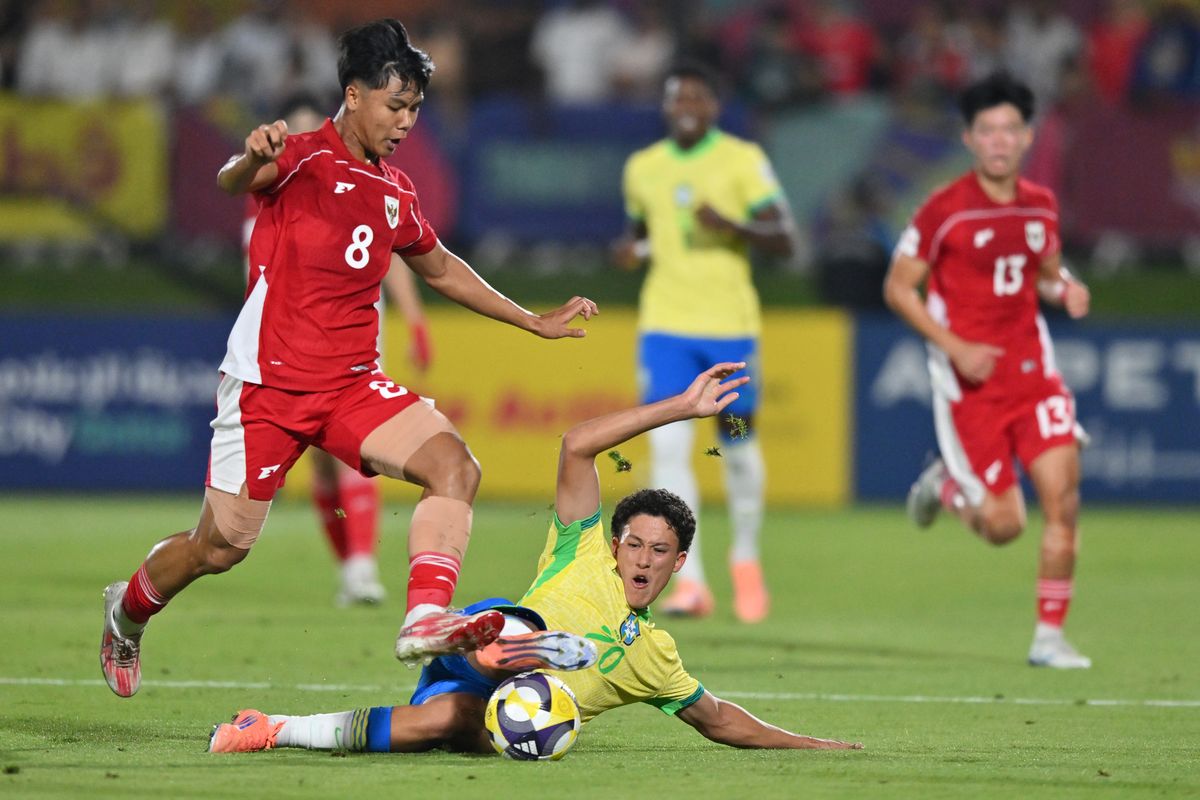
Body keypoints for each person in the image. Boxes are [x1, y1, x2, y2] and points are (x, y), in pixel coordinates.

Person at [99, 18, 598, 698]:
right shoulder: (299, 155)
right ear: (354, 94)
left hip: (350, 387)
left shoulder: (396, 190)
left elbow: (442, 268)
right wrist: (250, 155)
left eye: (416, 110)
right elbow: (231, 180)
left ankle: (424, 616)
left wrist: (531, 322)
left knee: (455, 467)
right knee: (218, 548)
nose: (406, 122)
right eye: (396, 106)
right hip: (266, 389)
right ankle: (127, 612)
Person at [207, 363, 862, 754]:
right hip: (479, 639)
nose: (640, 558)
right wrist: (681, 409)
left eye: (658, 551)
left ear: (679, 563)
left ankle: (268, 728)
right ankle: (527, 646)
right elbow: (577, 446)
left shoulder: (655, 657)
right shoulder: (581, 550)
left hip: (484, 705)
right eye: (632, 542)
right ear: (614, 544)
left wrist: (817, 746)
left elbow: (718, 720)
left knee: (446, 722)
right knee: (513, 632)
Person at [883, 71, 1092, 669]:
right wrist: (955, 346)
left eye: (1010, 129)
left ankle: (1049, 638)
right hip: (969, 385)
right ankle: (943, 485)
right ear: (970, 138)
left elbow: (1047, 272)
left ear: (1026, 137)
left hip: (1033, 374)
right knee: (1004, 526)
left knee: (1064, 502)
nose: (999, 140)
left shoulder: (1041, 204)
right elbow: (900, 290)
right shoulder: (943, 211)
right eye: (987, 130)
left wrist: (1067, 289)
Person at [613, 62, 796, 623]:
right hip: (665, 330)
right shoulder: (643, 168)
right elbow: (644, 237)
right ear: (666, 106)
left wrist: (732, 226)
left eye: (697, 96)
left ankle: (745, 554)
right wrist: (631, 252)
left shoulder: (742, 160)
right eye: (677, 97)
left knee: (737, 447)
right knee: (667, 451)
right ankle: (690, 581)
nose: (687, 105)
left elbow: (785, 239)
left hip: (729, 335)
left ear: (714, 105)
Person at [240, 92, 434, 608]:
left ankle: (363, 566)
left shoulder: (357, 181)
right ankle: (349, 568)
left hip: (348, 346)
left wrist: (414, 319)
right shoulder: (270, 189)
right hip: (281, 351)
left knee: (354, 456)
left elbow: (392, 252)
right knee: (314, 473)